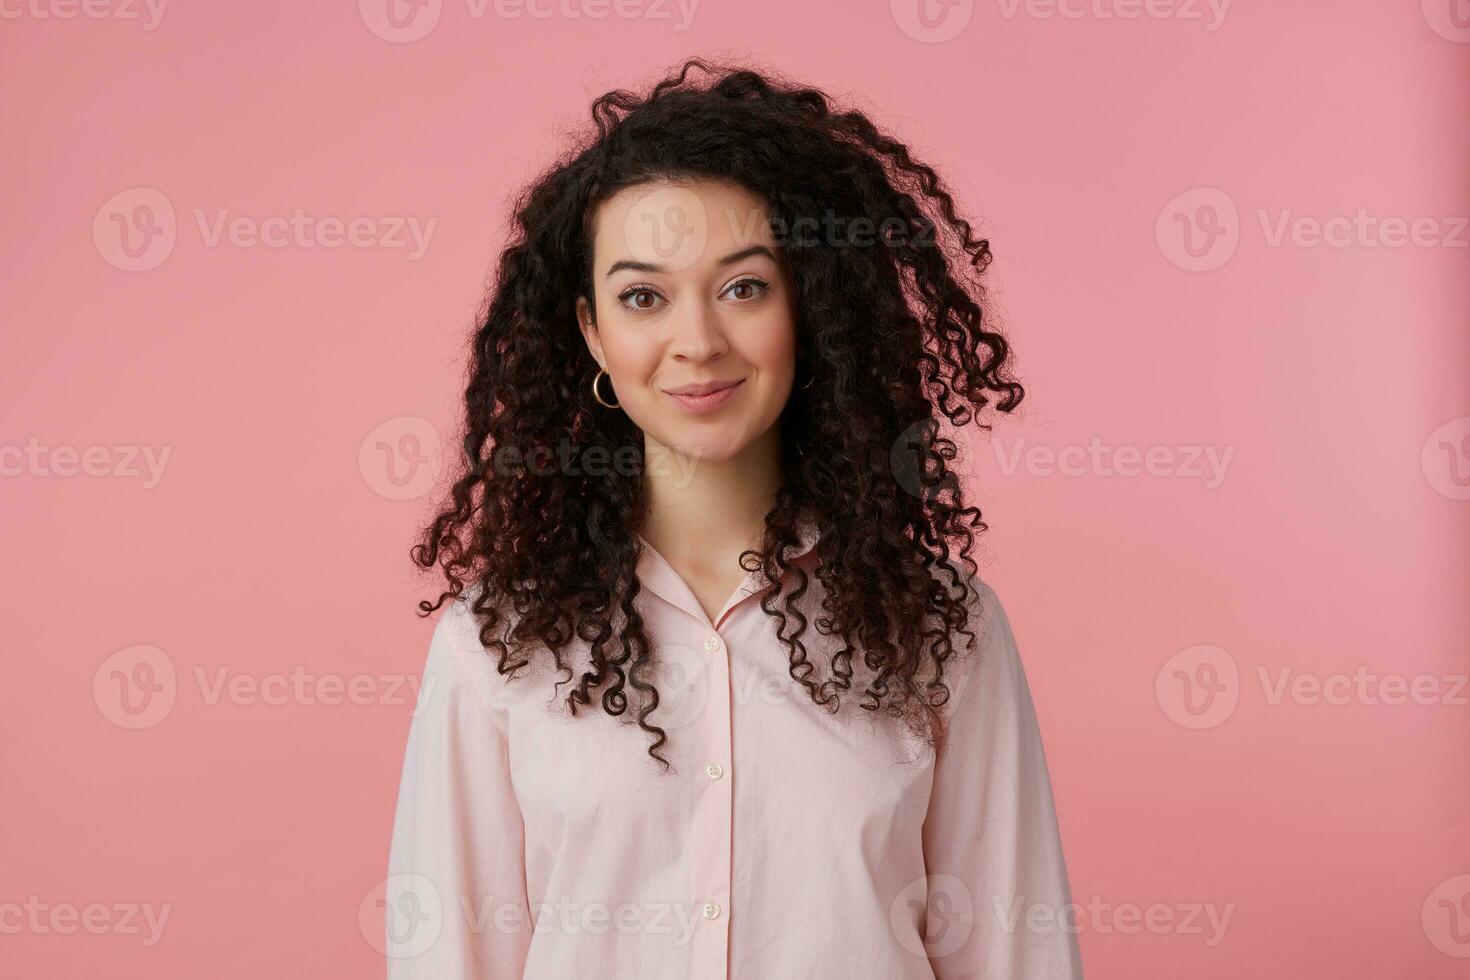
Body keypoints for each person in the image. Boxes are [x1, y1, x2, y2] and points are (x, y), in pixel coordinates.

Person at [385, 57, 1083, 979]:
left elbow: (1014, 954)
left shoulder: (943, 629)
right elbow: (451, 957)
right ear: (592, 331)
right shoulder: (495, 641)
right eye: (643, 296)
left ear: (809, 308)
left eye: (743, 287)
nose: (698, 341)